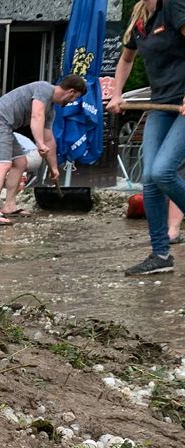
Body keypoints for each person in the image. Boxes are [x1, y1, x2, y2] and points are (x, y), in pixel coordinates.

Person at [107, 0, 185, 274]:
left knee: (163, 171)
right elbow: (126, 59)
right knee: (149, 179)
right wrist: (117, 94)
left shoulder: (174, 7)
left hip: (183, 107)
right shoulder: (139, 17)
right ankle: (161, 255)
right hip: (161, 106)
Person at [0, 74, 87, 226]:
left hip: (6, 128)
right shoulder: (44, 89)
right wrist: (39, 143)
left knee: (20, 162)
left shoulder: (50, 110)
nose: (73, 101)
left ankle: (9, 206)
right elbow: (36, 115)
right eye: (75, 98)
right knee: (4, 164)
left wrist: (54, 168)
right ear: (71, 92)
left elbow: (50, 140)